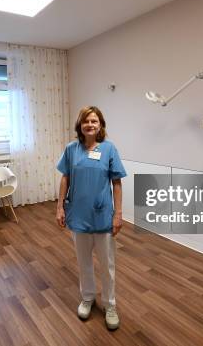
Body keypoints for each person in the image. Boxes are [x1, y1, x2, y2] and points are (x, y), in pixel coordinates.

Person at [56, 106, 126, 331]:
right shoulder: (71, 149)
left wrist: (118, 213)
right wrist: (60, 207)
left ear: (100, 125)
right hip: (78, 215)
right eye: (86, 121)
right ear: (80, 125)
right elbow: (65, 178)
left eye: (94, 121)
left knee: (107, 265)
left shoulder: (109, 149)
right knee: (84, 262)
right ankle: (87, 298)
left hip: (103, 216)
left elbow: (116, 182)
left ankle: (110, 304)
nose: (90, 125)